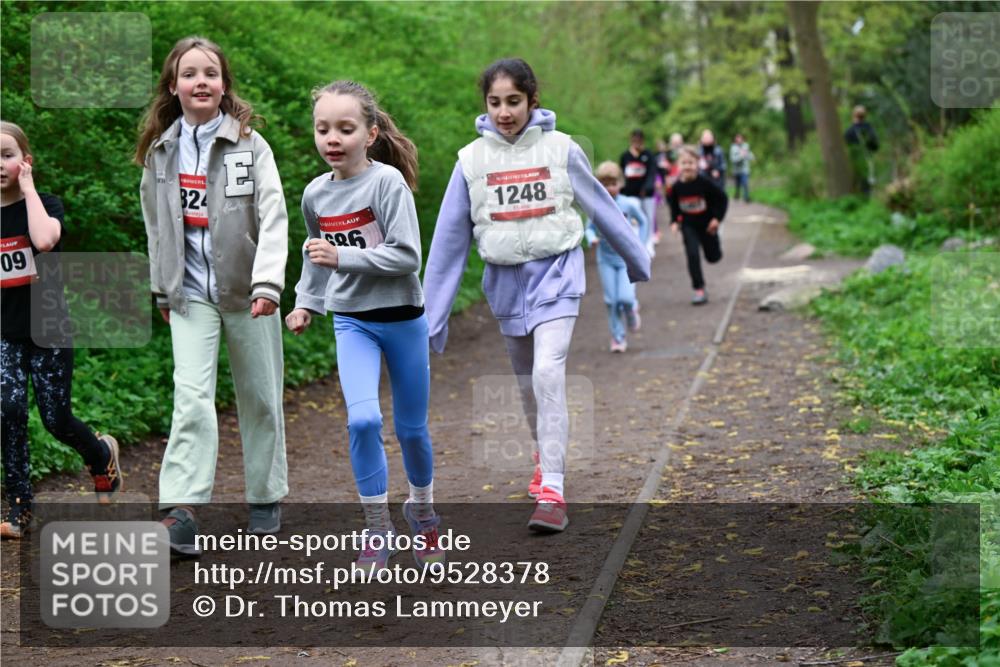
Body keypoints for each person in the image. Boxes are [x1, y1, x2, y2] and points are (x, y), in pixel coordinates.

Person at [423, 58, 650, 533]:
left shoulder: (561, 149)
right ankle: (542, 455)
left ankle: (554, 489)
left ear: (532, 100)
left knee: (548, 372)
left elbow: (601, 207)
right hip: (506, 284)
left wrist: (635, 259)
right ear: (485, 104)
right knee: (527, 385)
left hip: (558, 276)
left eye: (514, 101)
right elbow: (448, 241)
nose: (504, 112)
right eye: (495, 102)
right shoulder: (471, 162)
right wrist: (433, 316)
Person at [135, 36, 288, 556]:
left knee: (260, 395)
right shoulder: (160, 153)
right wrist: (162, 286)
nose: (201, 82)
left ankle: (265, 497)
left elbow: (274, 218)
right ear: (173, 86)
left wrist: (269, 283)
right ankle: (180, 509)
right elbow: (155, 226)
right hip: (190, 295)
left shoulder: (250, 145)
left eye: (211, 74)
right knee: (192, 396)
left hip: (249, 291)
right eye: (189, 73)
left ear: (224, 86)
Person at [285, 80, 444, 572]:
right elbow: (316, 254)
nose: (332, 138)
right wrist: (306, 301)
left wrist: (343, 256)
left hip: (402, 319)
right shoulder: (315, 194)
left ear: (370, 133)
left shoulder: (386, 184)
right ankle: (378, 530)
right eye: (323, 129)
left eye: (345, 129)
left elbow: (406, 256)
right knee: (363, 420)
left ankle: (423, 513)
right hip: (352, 322)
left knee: (412, 430)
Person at [1, 121, 122, 539]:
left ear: (25, 161)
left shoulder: (46, 203)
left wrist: (29, 188)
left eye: (7, 155)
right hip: (6, 333)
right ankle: (18, 510)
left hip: (48, 326)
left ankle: (100, 453)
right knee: (9, 413)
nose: (0, 164)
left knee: (55, 419)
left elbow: (45, 240)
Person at [586, 162, 646, 353]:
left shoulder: (629, 204)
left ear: (620, 183)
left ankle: (631, 312)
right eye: (604, 184)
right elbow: (588, 228)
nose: (609, 188)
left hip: (627, 260)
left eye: (613, 183)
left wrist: (640, 245)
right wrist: (591, 238)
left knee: (625, 298)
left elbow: (643, 222)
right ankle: (617, 337)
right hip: (605, 259)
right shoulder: (596, 206)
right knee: (611, 301)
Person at [667, 146, 728, 306]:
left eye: (691, 163)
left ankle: (715, 242)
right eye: (684, 163)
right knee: (692, 254)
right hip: (689, 225)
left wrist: (717, 219)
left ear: (697, 164)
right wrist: (674, 221)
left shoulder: (705, 183)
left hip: (707, 225)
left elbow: (722, 199)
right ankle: (699, 289)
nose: (687, 166)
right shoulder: (676, 187)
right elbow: (673, 206)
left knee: (713, 257)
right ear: (678, 165)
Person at [619, 128, 657, 256]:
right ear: (631, 140)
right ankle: (637, 245)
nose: (636, 142)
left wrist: (647, 188)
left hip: (647, 194)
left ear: (642, 140)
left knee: (648, 219)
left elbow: (652, 173)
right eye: (634, 139)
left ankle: (649, 244)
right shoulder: (625, 156)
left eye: (639, 140)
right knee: (634, 219)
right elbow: (622, 175)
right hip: (630, 194)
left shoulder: (648, 155)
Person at [844, 105, 878, 195]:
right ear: (865, 115)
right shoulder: (869, 128)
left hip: (854, 164)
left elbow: (845, 148)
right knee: (868, 188)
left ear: (853, 115)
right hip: (868, 161)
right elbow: (875, 146)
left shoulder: (849, 131)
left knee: (856, 189)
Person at [729, 133, 755, 202]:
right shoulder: (733, 147)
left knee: (745, 183)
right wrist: (741, 156)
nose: (739, 140)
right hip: (736, 170)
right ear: (735, 139)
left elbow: (750, 155)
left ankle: (746, 197)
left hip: (744, 169)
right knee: (737, 184)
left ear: (742, 139)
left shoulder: (746, 146)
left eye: (740, 138)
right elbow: (733, 159)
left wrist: (751, 157)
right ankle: (737, 194)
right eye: (737, 138)